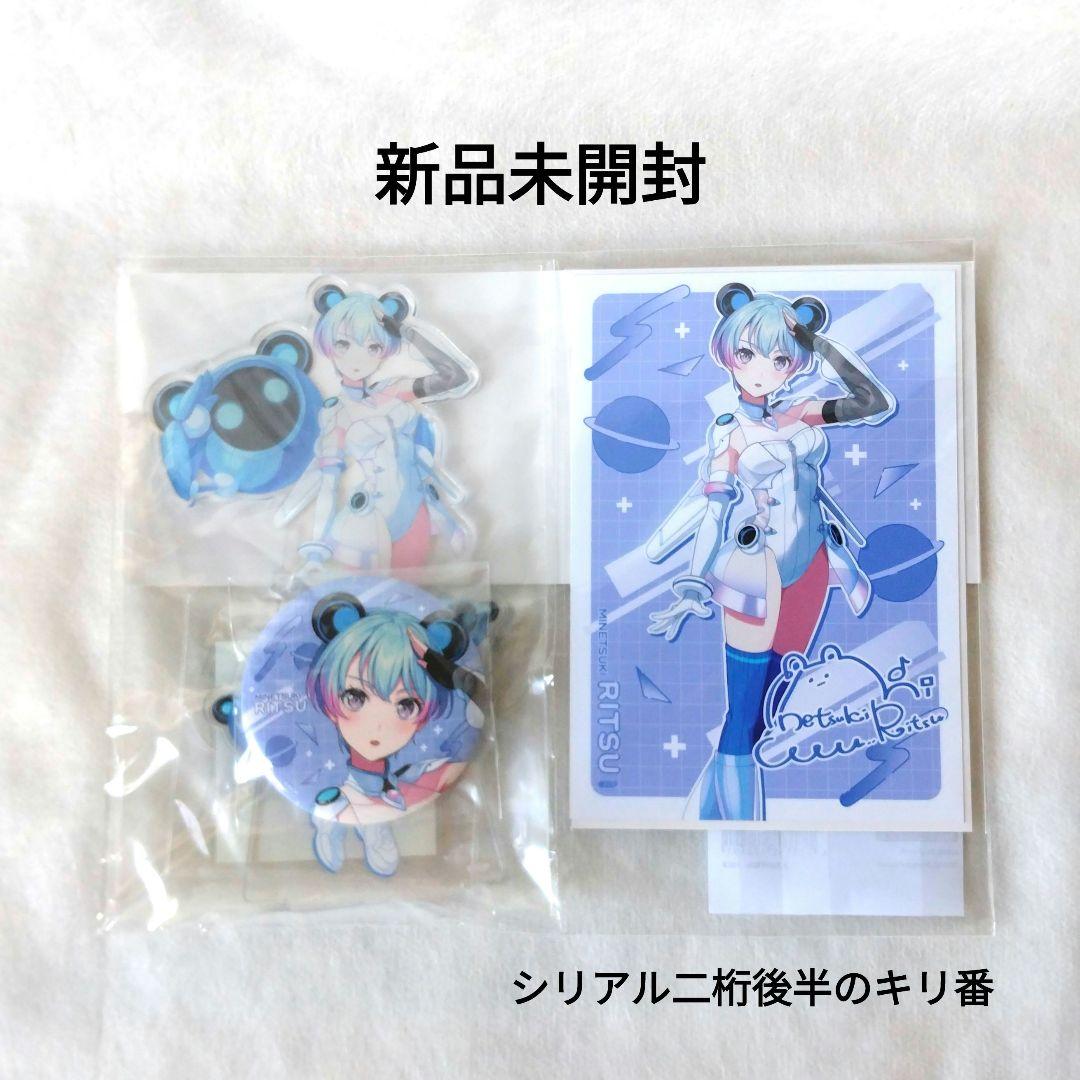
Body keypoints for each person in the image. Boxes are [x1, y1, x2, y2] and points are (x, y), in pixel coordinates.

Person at [645, 283, 894, 820]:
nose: (763, 369)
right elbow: (713, 511)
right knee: (742, 715)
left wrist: (819, 345)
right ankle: (740, 826)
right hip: (754, 569)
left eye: (780, 358)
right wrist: (693, 584)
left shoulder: (802, 413)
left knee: (765, 714)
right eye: (748, 353)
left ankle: (707, 815)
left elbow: (875, 403)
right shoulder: (730, 433)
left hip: (812, 567)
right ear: (728, 354)